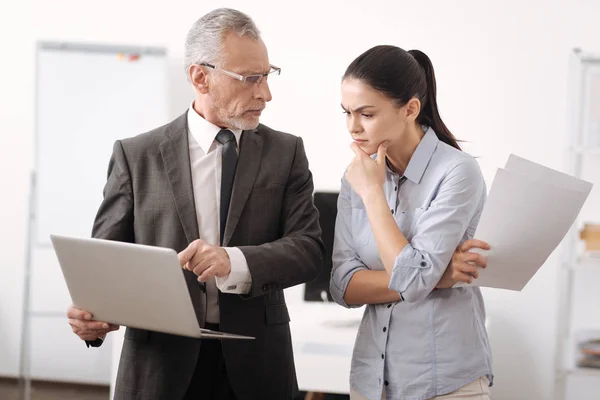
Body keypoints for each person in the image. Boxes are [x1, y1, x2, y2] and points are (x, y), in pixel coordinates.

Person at [65, 8, 325, 400]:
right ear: (200, 77)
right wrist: (91, 318)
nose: (265, 94)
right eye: (251, 79)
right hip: (158, 371)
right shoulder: (136, 156)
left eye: (267, 76)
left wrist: (233, 260)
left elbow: (309, 250)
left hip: (257, 368)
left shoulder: (286, 152)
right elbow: (105, 266)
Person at [330, 45, 493, 400]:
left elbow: (414, 279)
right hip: (372, 381)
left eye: (366, 114)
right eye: (347, 113)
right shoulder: (354, 176)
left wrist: (374, 196)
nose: (353, 127)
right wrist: (438, 276)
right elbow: (343, 287)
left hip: (445, 382)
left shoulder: (456, 172)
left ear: (411, 109)